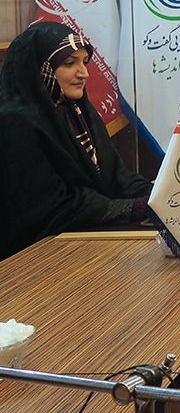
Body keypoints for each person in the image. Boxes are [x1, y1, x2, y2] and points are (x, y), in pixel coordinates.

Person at [0, 21, 152, 260]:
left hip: (84, 239)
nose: (84, 73)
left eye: (84, 62)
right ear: (39, 68)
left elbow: (116, 177)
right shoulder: (14, 122)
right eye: (70, 63)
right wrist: (135, 208)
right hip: (34, 255)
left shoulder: (79, 111)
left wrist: (159, 195)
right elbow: (53, 205)